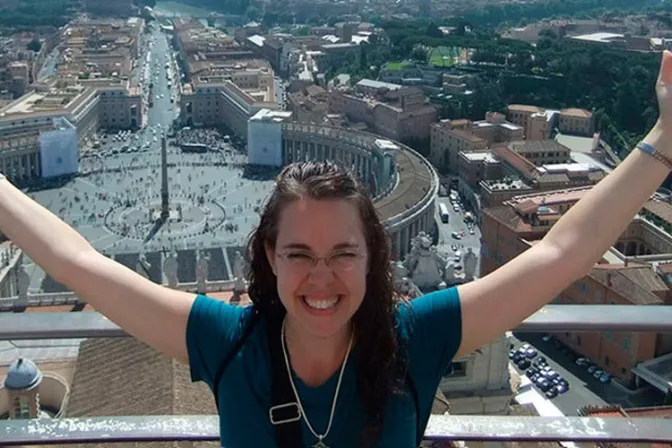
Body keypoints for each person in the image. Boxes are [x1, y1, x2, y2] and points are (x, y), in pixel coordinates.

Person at [2, 53, 672, 447]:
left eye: (342, 253)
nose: (320, 276)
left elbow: (559, 255)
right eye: (298, 253)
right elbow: (77, 262)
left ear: (373, 257)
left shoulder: (418, 334)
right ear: (267, 257)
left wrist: (661, 144)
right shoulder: (223, 337)